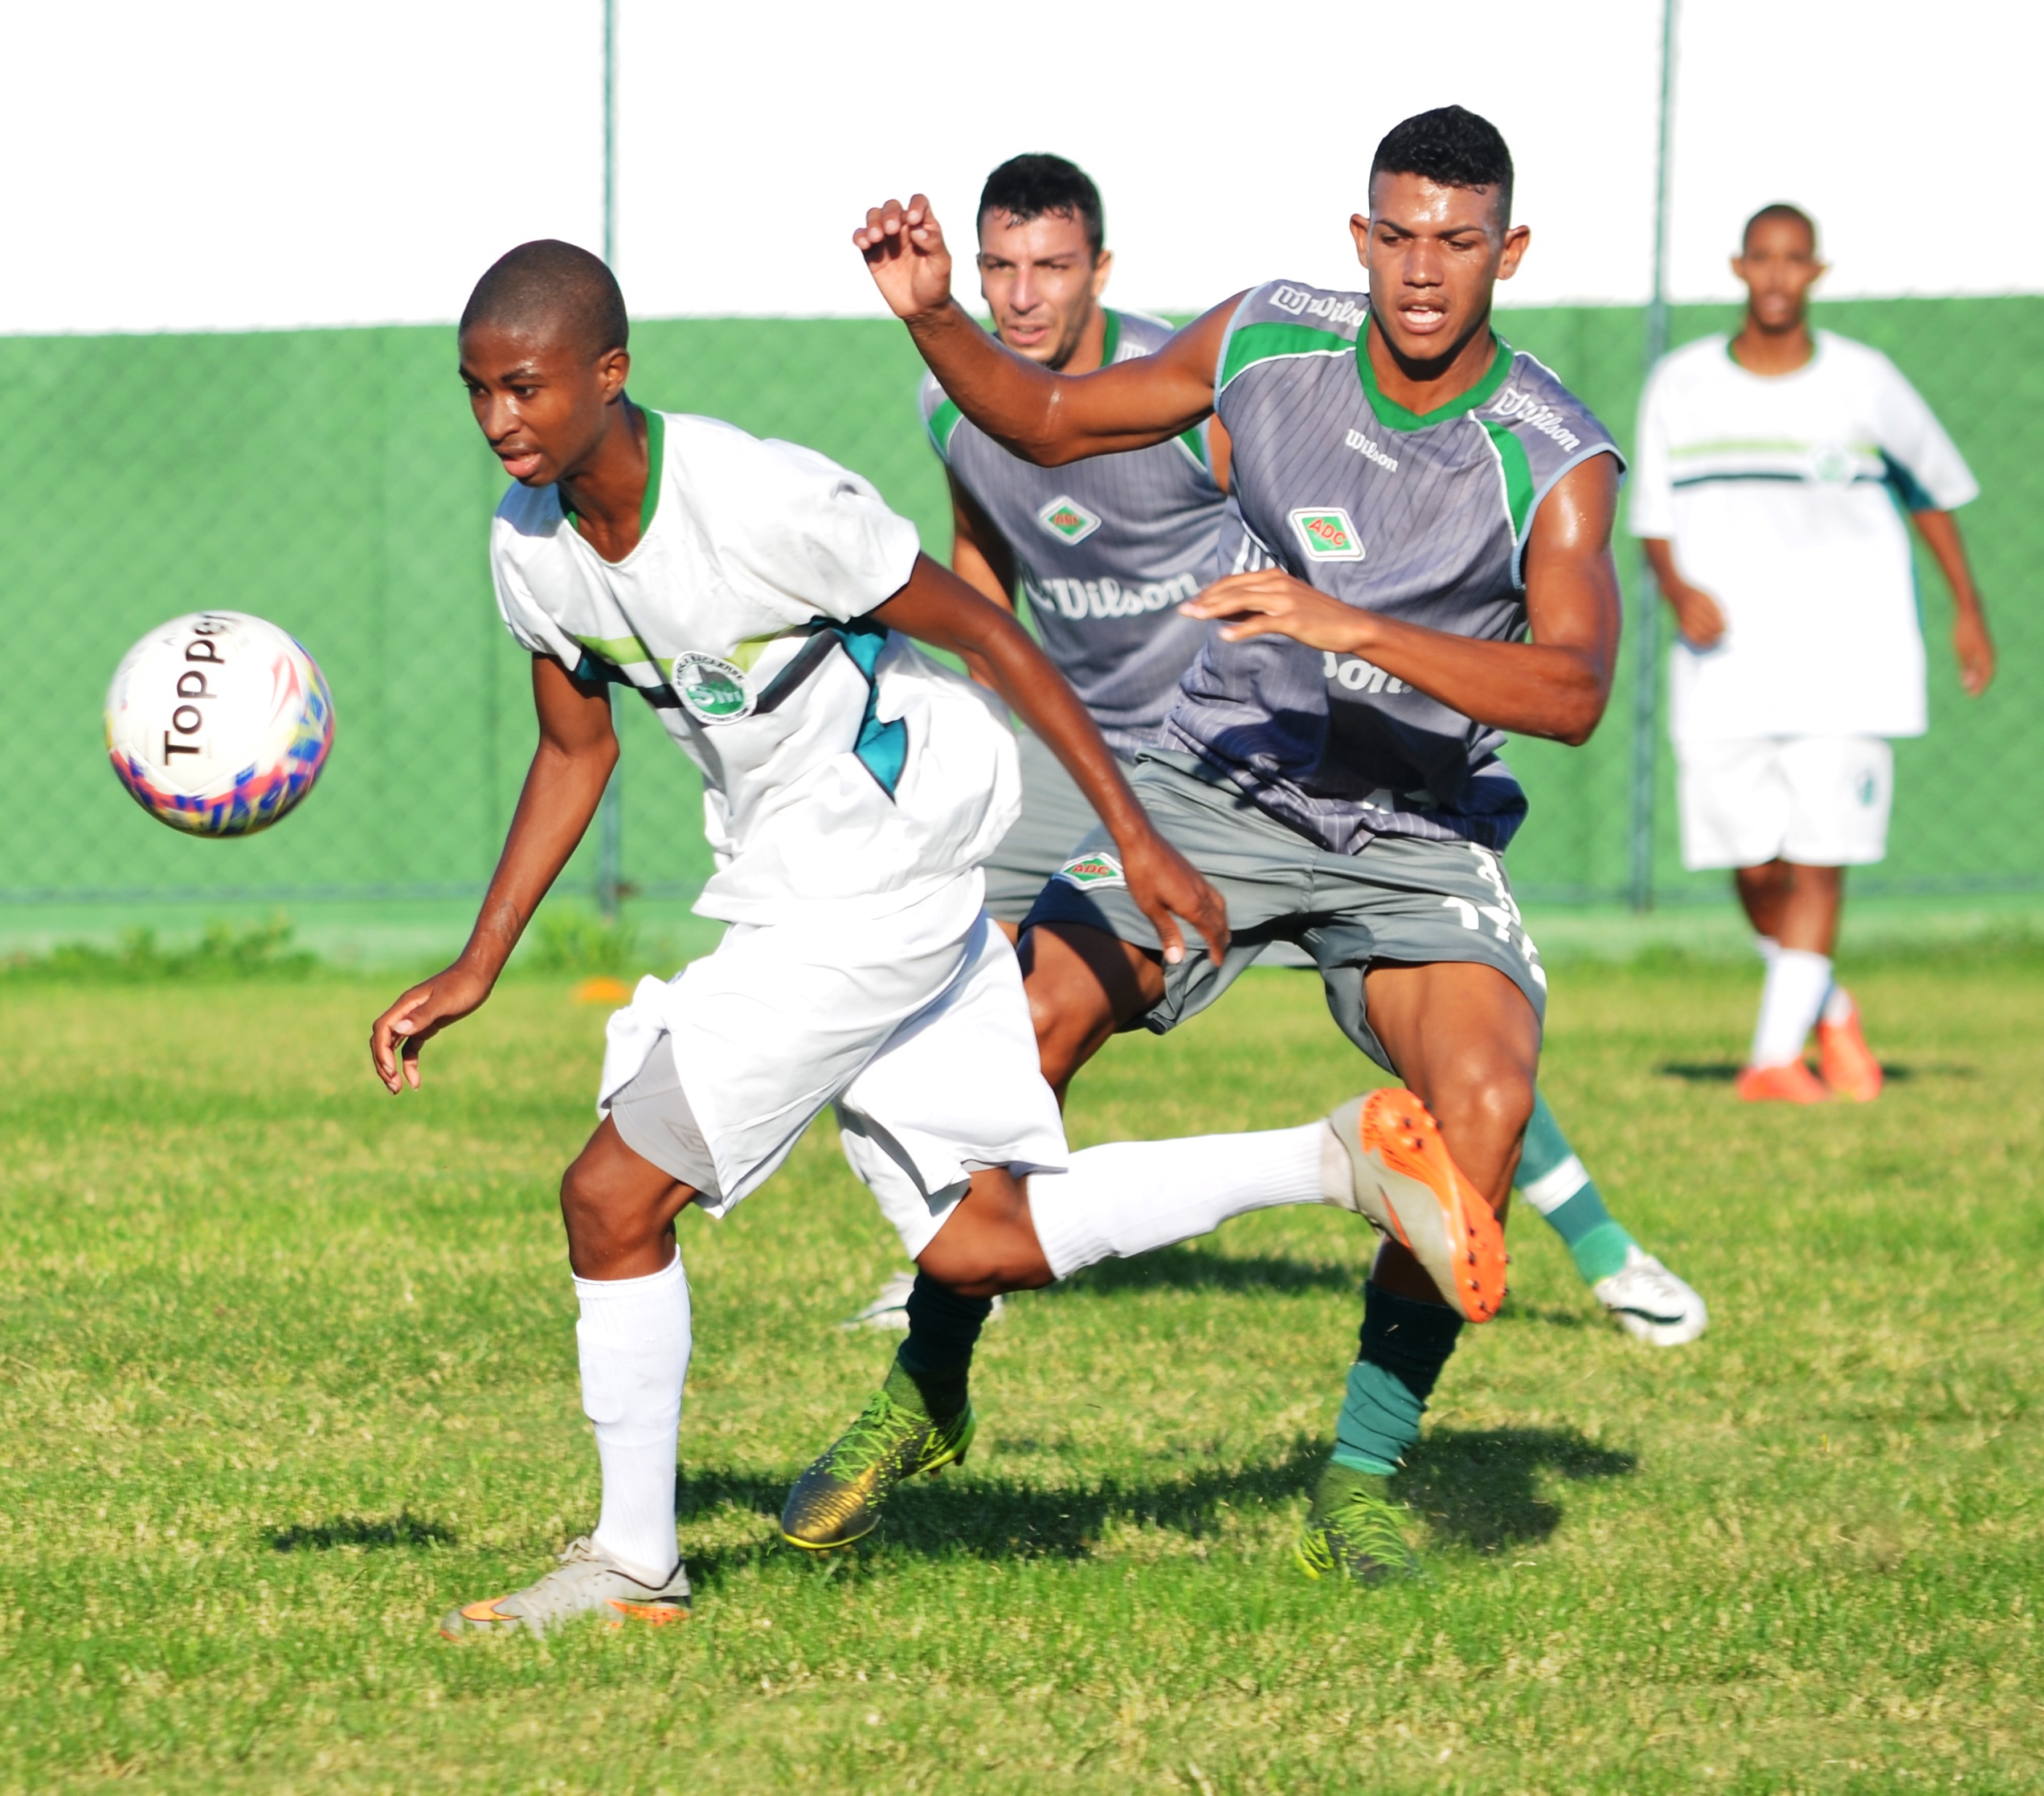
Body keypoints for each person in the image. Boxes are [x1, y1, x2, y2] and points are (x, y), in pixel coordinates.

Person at [372, 239, 1501, 1638]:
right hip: (838, 878)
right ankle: (1333, 1156)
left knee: (610, 1198)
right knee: (978, 1240)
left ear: (608, 373)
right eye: (476, 390)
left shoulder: (761, 500)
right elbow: (569, 748)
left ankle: (632, 1562)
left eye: (526, 386)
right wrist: (476, 964)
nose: (500, 420)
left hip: (868, 880)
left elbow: (993, 637)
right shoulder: (527, 543)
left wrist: (1136, 841)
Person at [790, 106, 1671, 1585]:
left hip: (1413, 828)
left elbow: (1574, 688)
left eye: (1457, 241)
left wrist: (1349, 624)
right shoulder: (1270, 338)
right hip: (1221, 775)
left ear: (1504, 252)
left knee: (1479, 1108)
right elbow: (1051, 420)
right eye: (1395, 233)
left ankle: (1358, 1476)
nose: (1420, 270)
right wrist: (935, 311)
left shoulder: (1551, 453)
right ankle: (926, 1391)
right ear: (1359, 237)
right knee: (1019, 1032)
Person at [1633, 204, 1993, 1103]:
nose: (1780, 276)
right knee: (1753, 864)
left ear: (1817, 273)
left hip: (1851, 665)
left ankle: (1772, 1060)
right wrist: (1679, 590)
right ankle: (1826, 1009)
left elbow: (1936, 494)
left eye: (1797, 261)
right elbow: (1652, 523)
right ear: (1739, 268)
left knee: (1821, 856)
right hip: (1721, 671)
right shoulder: (1679, 384)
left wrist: (1968, 610)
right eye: (1764, 259)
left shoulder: (1867, 382)